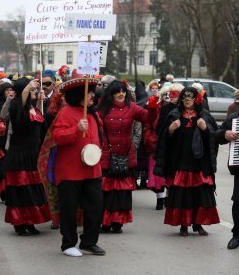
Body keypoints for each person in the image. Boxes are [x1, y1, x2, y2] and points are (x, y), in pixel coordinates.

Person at [154, 87, 220, 236]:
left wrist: (205, 130)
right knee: (183, 195)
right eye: (185, 98)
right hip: (181, 162)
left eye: (190, 98)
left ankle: (197, 224)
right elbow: (164, 140)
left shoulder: (204, 116)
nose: (188, 101)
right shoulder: (174, 115)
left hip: (199, 163)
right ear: (182, 100)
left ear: (196, 100)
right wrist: (170, 130)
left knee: (199, 194)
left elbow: (214, 138)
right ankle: (184, 225)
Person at [52, 75, 105, 257]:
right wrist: (76, 129)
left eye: (92, 92)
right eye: (89, 93)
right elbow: (57, 138)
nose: (92, 96)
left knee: (96, 207)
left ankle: (89, 242)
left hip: (92, 170)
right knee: (69, 209)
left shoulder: (93, 114)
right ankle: (68, 244)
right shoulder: (65, 113)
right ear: (78, 95)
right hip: (69, 171)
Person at [98, 80, 158, 233]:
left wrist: (152, 107)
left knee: (122, 192)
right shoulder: (102, 109)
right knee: (107, 191)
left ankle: (118, 222)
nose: (121, 94)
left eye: (123, 91)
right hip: (107, 154)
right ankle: (105, 222)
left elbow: (149, 118)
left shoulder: (132, 108)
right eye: (117, 92)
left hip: (125, 155)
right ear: (111, 94)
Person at [4, 77, 51, 236]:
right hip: (19, 155)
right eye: (30, 90)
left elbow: (39, 125)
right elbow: (21, 109)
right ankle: (20, 223)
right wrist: (28, 87)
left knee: (33, 190)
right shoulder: (16, 106)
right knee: (21, 191)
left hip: (33, 155)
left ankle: (30, 221)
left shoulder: (34, 109)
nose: (34, 91)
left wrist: (39, 101)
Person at [219, 112, 239, 249]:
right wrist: (225, 134)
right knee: (238, 201)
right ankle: (236, 235)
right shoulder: (234, 118)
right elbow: (218, 134)